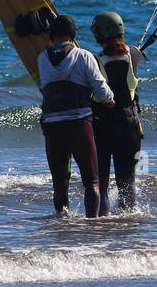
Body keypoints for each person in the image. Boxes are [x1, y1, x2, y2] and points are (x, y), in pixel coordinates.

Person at [38, 15, 115, 216]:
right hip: (79, 125)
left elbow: (44, 88)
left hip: (52, 127)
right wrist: (109, 99)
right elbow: (101, 89)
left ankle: (62, 226)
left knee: (60, 183)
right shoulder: (84, 56)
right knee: (92, 181)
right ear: (73, 35)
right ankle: (92, 227)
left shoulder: (41, 58)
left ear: (51, 34)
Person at [89, 11, 146, 215]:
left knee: (102, 182)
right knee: (127, 181)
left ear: (100, 34)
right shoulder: (135, 54)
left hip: (103, 127)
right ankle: (128, 223)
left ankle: (102, 222)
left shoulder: (95, 60)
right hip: (130, 125)